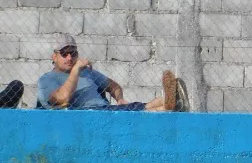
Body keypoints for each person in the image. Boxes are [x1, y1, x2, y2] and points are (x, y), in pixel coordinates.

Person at [37, 34, 190, 112]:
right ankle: (173, 104)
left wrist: (120, 98)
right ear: (54, 57)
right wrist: (76, 70)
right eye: (64, 53)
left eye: (73, 53)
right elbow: (61, 99)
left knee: (138, 107)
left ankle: (171, 102)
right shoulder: (47, 79)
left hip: (107, 110)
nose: (69, 58)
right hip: (88, 114)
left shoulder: (87, 73)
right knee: (140, 110)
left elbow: (112, 85)